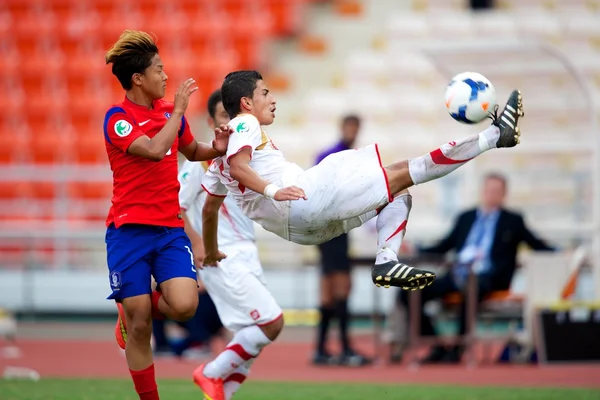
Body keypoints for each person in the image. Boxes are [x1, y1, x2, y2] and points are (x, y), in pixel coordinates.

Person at [201, 70, 524, 293]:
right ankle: (495, 136)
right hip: (301, 199)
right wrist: (274, 190)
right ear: (246, 103)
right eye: (264, 93)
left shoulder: (217, 158)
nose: (272, 99)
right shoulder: (244, 123)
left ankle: (386, 261)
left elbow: (209, 211)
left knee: (399, 193)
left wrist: (212, 252)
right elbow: (240, 165)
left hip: (299, 231)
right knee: (406, 170)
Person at [103, 30, 229, 400]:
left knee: (186, 305)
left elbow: (190, 149)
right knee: (141, 323)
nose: (166, 76)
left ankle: (131, 305)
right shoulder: (118, 118)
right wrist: (176, 112)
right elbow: (156, 150)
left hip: (169, 229)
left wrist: (216, 148)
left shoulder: (169, 116)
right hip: (128, 231)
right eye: (159, 69)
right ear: (138, 78)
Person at [176, 89, 283, 400]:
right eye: (225, 117)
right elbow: (176, 206)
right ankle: (209, 372)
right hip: (222, 255)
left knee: (252, 335)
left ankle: (222, 392)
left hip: (245, 251)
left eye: (236, 117)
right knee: (270, 322)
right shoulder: (199, 166)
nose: (233, 124)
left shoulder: (242, 159)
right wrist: (197, 243)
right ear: (212, 122)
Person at [397, 172, 556, 363]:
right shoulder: (466, 217)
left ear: (504, 194)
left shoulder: (513, 221)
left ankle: (457, 350)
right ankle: (438, 346)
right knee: (409, 291)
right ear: (482, 191)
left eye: (496, 191)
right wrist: (415, 249)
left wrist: (561, 252)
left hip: (488, 278)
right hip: (457, 274)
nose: (492, 194)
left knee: (471, 289)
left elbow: (536, 243)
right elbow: (443, 246)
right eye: (489, 190)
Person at [313, 114, 370, 366]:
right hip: (331, 227)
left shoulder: (349, 155)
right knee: (340, 287)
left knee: (329, 291)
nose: (352, 132)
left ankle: (322, 349)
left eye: (355, 128)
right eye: (350, 127)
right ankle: (344, 348)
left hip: (334, 228)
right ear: (343, 128)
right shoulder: (335, 156)